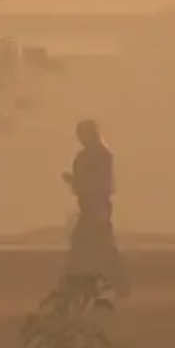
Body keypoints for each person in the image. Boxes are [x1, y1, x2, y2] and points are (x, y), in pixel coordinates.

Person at [63, 119, 129, 295]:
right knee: (93, 247)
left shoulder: (102, 156)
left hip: (97, 208)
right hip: (89, 208)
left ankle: (118, 286)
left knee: (96, 248)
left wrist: (79, 183)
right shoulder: (84, 156)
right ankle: (115, 286)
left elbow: (103, 185)